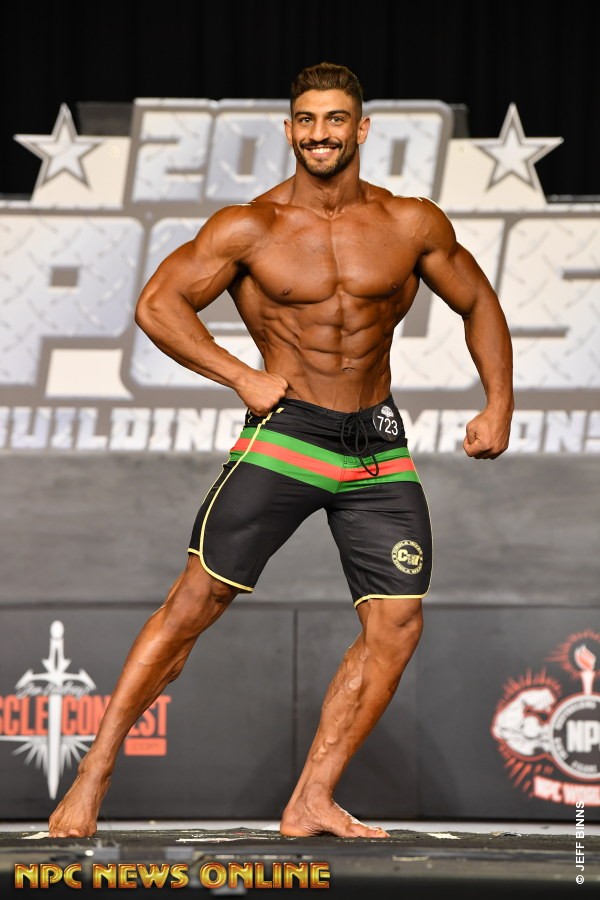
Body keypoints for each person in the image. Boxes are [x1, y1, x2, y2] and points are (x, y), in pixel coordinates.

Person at [49, 61, 513, 839]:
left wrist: (498, 402)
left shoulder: (410, 223)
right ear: (289, 129)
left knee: (397, 624)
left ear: (361, 128)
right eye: (306, 120)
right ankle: (94, 770)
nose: (319, 134)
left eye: (334, 119)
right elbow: (158, 304)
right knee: (195, 602)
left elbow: (478, 301)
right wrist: (240, 374)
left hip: (375, 445)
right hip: (289, 434)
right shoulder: (250, 227)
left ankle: (312, 798)